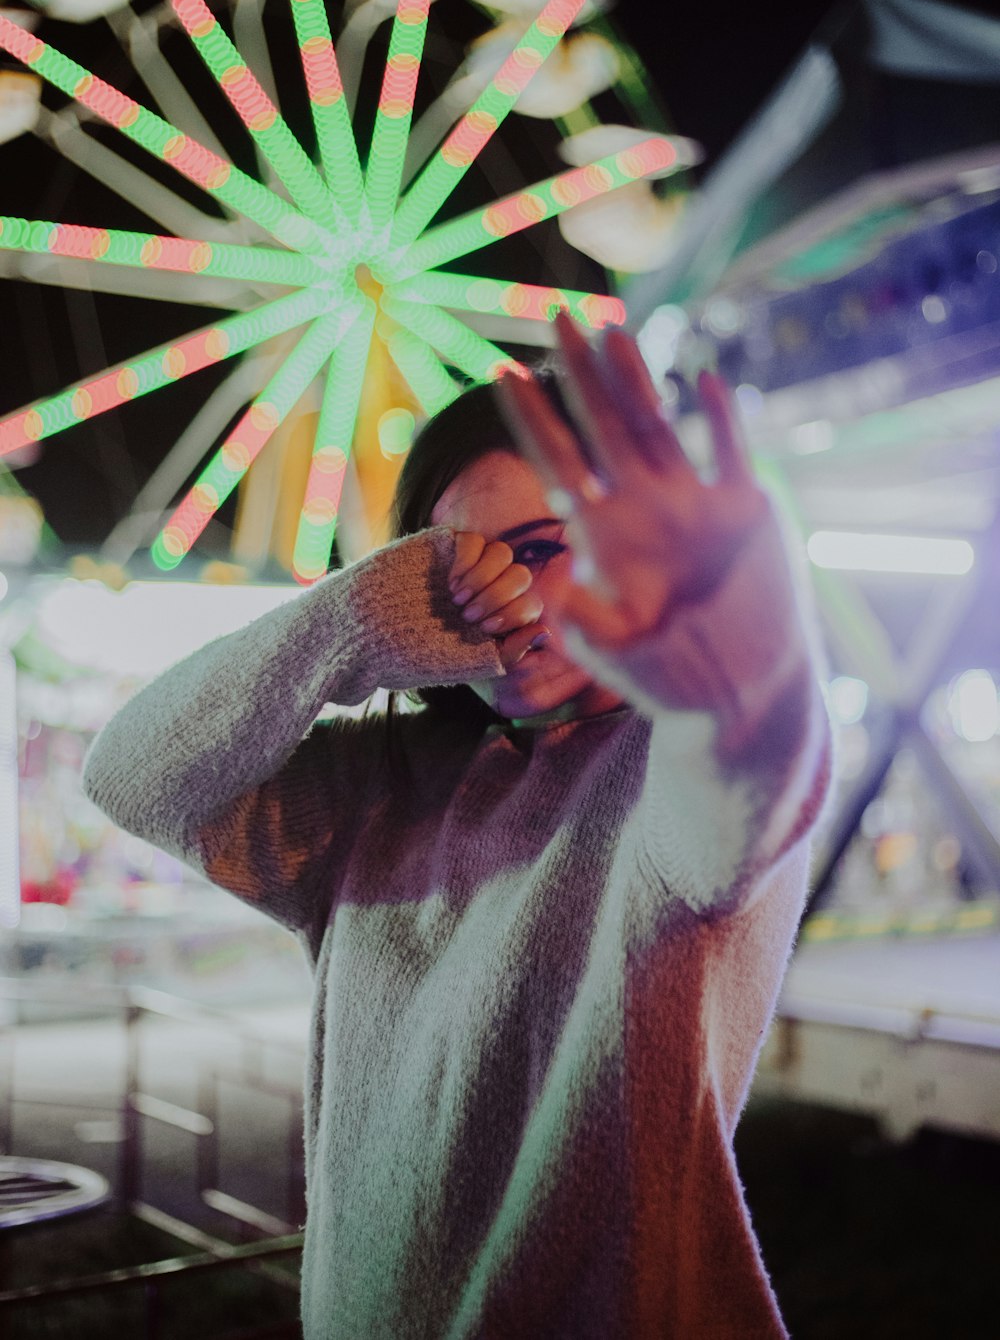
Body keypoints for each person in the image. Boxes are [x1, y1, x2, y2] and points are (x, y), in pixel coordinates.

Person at [83, 312, 833, 1338]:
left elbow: (750, 756)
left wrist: (739, 629)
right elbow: (130, 775)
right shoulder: (379, 790)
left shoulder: (668, 781)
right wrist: (355, 622)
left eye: (542, 548)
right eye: (458, 563)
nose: (505, 601)